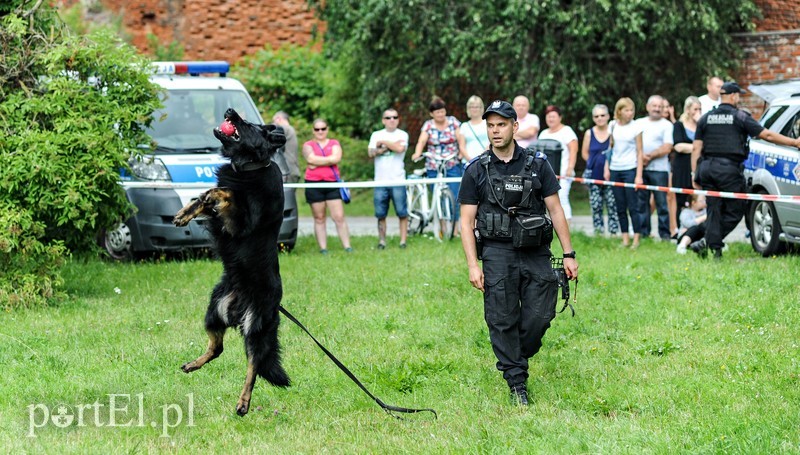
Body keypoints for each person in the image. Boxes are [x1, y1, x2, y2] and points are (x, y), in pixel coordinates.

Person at [459, 100, 578, 406]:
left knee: (540, 316)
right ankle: (517, 382)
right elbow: (466, 221)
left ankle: (515, 355)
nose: (495, 131)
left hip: (536, 252)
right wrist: (473, 265)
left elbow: (555, 209)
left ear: (515, 126)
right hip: (497, 253)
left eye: (501, 124)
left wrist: (568, 253)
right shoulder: (476, 170)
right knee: (501, 318)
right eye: (490, 125)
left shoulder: (538, 165)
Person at [691, 81, 800, 259]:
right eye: (738, 95)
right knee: (737, 209)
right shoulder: (740, 117)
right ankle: (710, 243)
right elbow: (767, 135)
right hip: (728, 170)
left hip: (707, 169)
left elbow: (696, 148)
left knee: (714, 210)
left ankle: (712, 248)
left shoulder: (706, 118)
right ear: (733, 96)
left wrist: (694, 174)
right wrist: (794, 142)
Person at [411, 97, 467, 234]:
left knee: (455, 196)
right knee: (438, 197)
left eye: (442, 111)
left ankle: (455, 230)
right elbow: (421, 141)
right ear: (432, 114)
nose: (441, 115)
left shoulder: (453, 122)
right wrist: (417, 153)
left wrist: (461, 153)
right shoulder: (428, 126)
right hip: (433, 165)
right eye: (437, 112)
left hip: (452, 163)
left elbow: (461, 139)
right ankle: (442, 228)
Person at [302, 118, 353, 254]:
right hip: (314, 184)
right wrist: (328, 160)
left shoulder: (334, 143)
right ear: (313, 131)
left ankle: (347, 247)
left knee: (339, 216)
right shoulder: (308, 144)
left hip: (332, 183)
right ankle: (323, 249)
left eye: (323, 128)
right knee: (319, 218)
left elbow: (336, 158)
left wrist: (318, 162)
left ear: (327, 129)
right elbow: (310, 159)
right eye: (317, 129)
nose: (320, 131)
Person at [604, 97, 644, 249]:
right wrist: (607, 168)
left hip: (630, 169)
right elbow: (610, 148)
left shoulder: (636, 127)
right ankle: (625, 238)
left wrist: (638, 175)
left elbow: (640, 152)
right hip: (615, 168)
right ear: (619, 111)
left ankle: (636, 239)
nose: (630, 113)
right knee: (620, 206)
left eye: (632, 110)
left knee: (633, 206)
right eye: (627, 110)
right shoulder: (612, 125)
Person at [368, 108, 410, 250]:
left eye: (394, 117)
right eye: (388, 118)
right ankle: (382, 241)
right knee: (380, 213)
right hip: (380, 181)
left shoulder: (403, 134)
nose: (391, 120)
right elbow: (371, 153)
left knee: (402, 212)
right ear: (383, 120)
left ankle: (403, 241)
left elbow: (400, 149)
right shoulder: (375, 135)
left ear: (398, 119)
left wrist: (383, 143)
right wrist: (390, 145)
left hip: (398, 179)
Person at [636, 95, 674, 240]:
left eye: (660, 106)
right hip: (641, 169)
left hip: (660, 169)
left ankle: (664, 234)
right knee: (642, 203)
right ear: (647, 107)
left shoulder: (666, 125)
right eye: (654, 106)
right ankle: (644, 234)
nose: (657, 109)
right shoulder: (638, 123)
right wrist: (640, 158)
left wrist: (648, 156)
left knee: (662, 203)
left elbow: (667, 147)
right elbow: (632, 144)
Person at [581, 104, 619, 235]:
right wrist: (594, 163)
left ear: (608, 116)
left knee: (612, 204)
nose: (600, 118)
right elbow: (585, 153)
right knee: (596, 205)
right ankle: (599, 232)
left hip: (611, 175)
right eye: (596, 116)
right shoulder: (589, 133)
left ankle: (614, 232)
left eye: (603, 115)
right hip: (594, 175)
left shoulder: (614, 131)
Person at [538, 105, 579, 222]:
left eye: (553, 116)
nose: (551, 119)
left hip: (563, 173)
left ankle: (567, 226)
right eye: (548, 116)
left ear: (560, 117)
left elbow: (573, 150)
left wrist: (570, 168)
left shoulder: (567, 131)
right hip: (547, 174)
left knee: (562, 198)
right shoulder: (543, 133)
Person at [672, 96, 701, 217]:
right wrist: (697, 148)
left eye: (700, 109)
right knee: (681, 199)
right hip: (682, 168)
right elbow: (678, 146)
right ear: (688, 110)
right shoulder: (679, 125)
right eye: (695, 109)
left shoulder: (701, 126)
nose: (697, 112)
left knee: (698, 198)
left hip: (698, 167)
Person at [272, 111, 300, 183]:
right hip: (292, 169)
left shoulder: (285, 128)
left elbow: (271, 129)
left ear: (278, 119)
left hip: (287, 171)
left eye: (274, 120)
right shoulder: (290, 129)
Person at [462, 96, 490, 160]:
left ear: (481, 108)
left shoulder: (488, 123)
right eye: (472, 107)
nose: (474, 109)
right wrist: (470, 160)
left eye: (477, 107)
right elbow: (462, 146)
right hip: (468, 162)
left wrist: (482, 156)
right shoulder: (464, 126)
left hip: (485, 160)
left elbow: (491, 142)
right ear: (468, 109)